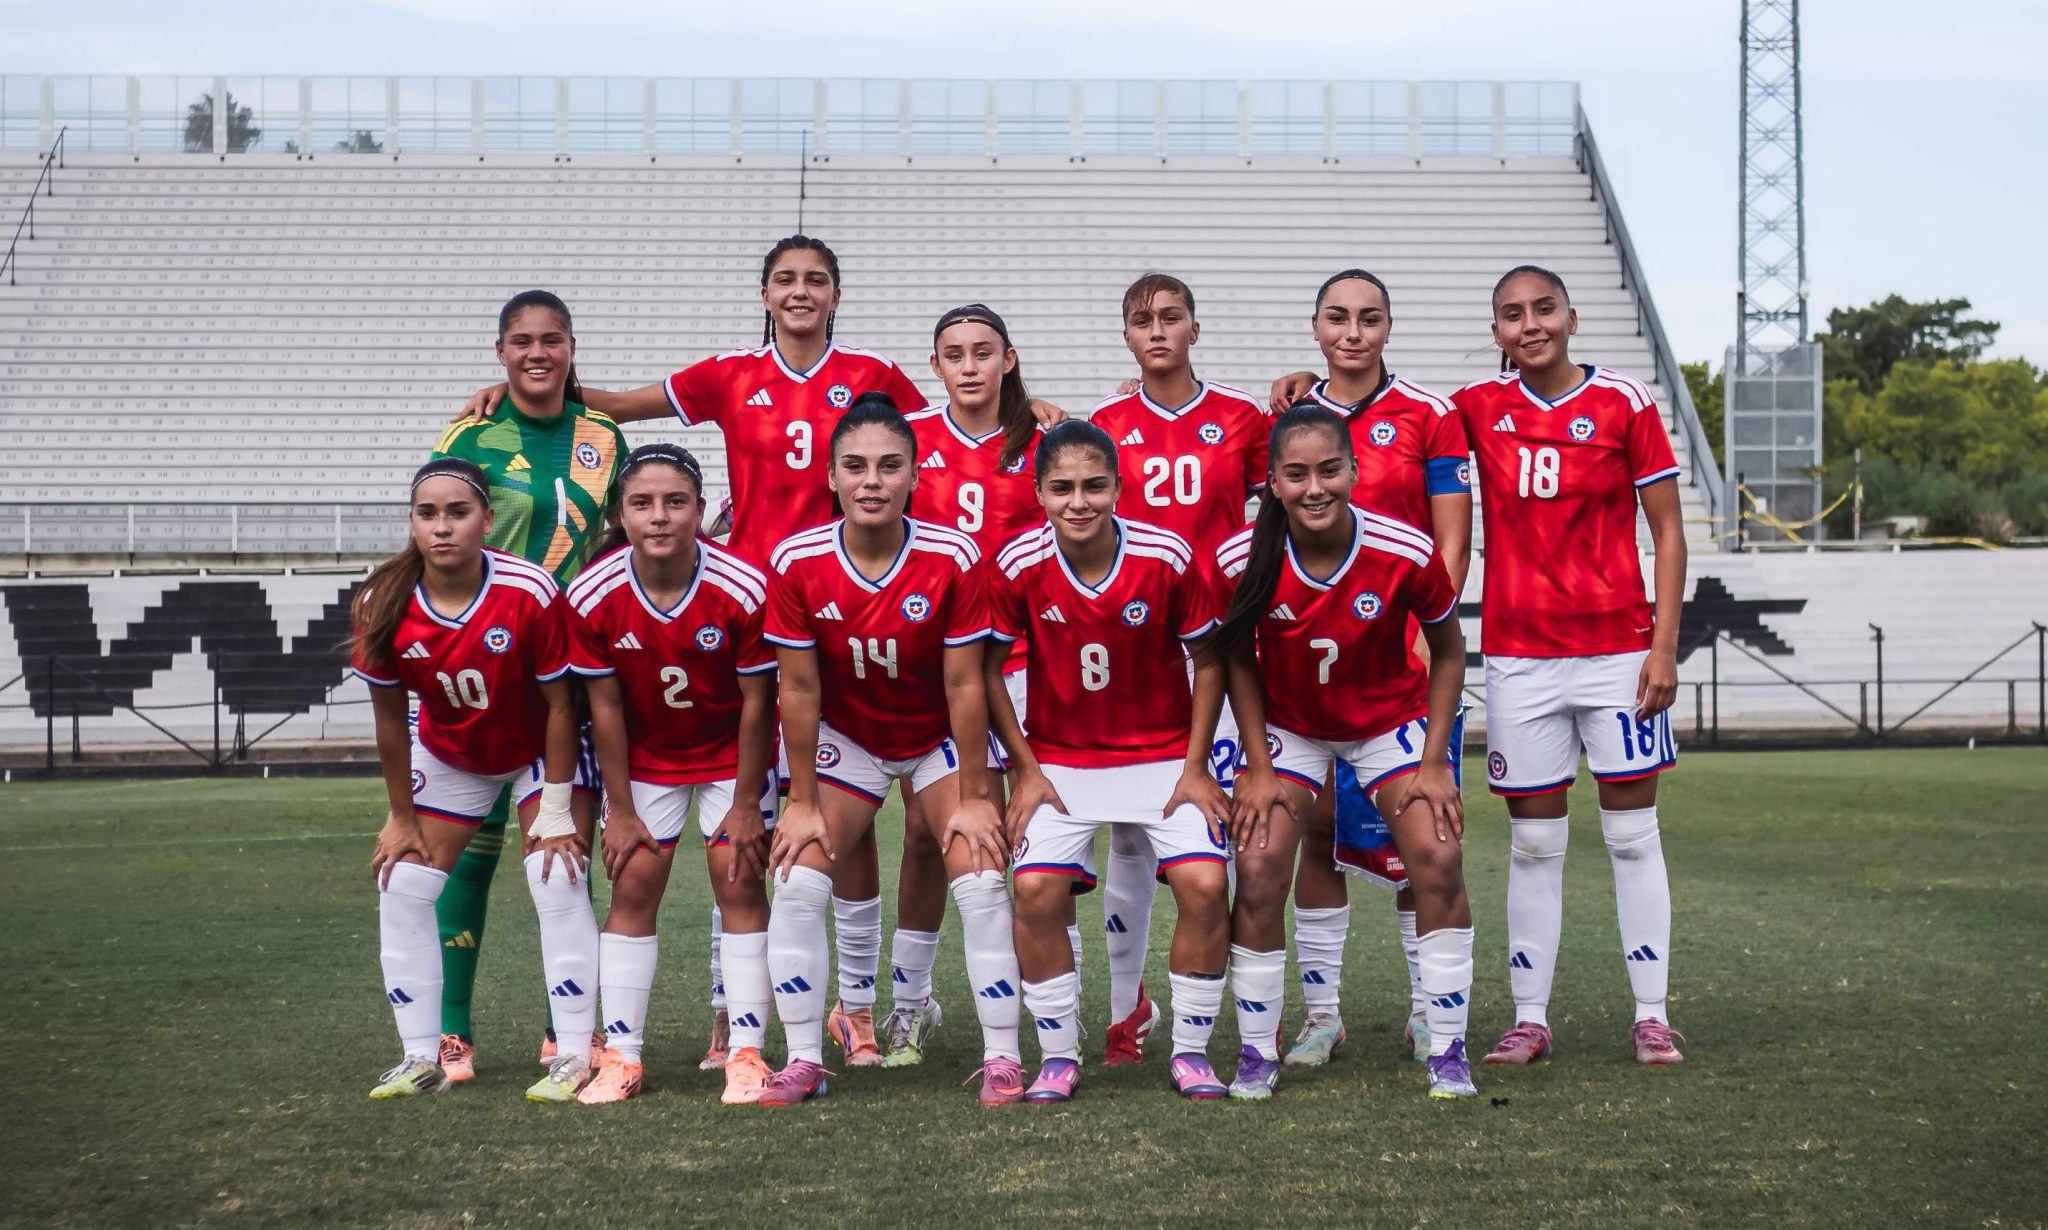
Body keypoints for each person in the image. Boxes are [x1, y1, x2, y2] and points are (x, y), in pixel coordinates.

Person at [454, 237, 944, 1070]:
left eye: (816, 280)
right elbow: (621, 408)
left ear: (837, 293)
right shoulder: (728, 373)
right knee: (747, 830)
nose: (800, 291)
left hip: (845, 604)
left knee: (832, 824)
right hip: (753, 613)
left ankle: (852, 1007)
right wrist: (529, 392)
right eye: (786, 279)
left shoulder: (877, 375)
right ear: (763, 291)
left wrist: (1028, 409)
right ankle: (730, 1015)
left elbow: (949, 432)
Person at [1451, 265, 1688, 1068]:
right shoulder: (1477, 409)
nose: (1530, 325)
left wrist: (1663, 644)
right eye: (1512, 315)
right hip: (1520, 658)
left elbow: (1667, 533)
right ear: (1496, 334)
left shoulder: (1625, 402)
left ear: (1572, 316)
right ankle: (1530, 1018)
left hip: (1620, 652)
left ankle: (1651, 1014)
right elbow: (1389, 420)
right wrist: (1309, 386)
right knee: (1534, 845)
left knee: (1631, 835)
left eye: (1543, 309)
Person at [758, 395, 1024, 1106]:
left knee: (981, 871)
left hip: (938, 733)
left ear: (914, 475)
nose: (871, 480)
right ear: (832, 476)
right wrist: (802, 802)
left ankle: (1002, 1057)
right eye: (855, 467)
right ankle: (806, 1056)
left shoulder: (952, 553)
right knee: (798, 873)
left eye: (888, 466)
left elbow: (966, 680)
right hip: (852, 736)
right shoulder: (797, 560)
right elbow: (801, 687)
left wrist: (973, 796)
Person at [1217, 405, 1478, 1100]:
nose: (1315, 488)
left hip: (1387, 721)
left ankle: (1448, 1049)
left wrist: (1432, 762)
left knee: (1438, 855)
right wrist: (1260, 767)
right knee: (1261, 862)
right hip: (1291, 727)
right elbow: (1236, 657)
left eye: (1330, 470)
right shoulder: (1241, 558)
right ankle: (1255, 1051)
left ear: (1356, 471)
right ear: (1272, 481)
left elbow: (1450, 654)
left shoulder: (1406, 548)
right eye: (1296, 474)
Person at [986, 420, 1235, 1103]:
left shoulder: (1168, 555)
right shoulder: (1016, 563)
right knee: (1035, 893)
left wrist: (1195, 764)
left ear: (1120, 488)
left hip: (1160, 757)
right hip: (1062, 762)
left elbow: (1210, 660)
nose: (1079, 501)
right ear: (1038, 493)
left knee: (1208, 888)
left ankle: (1190, 1052)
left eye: (1095, 485)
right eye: (1062, 487)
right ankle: (1059, 1056)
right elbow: (985, 671)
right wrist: (1026, 767)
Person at [1264, 270, 1475, 1066]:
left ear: (1389, 326)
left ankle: (1430, 1011)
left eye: (1369, 318)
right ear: (1316, 326)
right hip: (1312, 671)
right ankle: (1323, 1016)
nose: (1353, 332)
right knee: (1315, 836)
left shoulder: (1431, 414)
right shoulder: (1289, 415)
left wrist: (1423, 635)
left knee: (1419, 840)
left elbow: (1449, 539)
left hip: (1399, 660)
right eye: (1337, 317)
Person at [353, 459, 601, 1103]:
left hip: (538, 750)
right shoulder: (383, 602)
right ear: (411, 523)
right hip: (450, 751)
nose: (441, 527)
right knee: (403, 882)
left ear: (487, 521)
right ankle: (421, 1056)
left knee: (557, 874)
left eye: (457, 513)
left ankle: (573, 1055)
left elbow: (559, 705)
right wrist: (400, 816)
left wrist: (552, 809)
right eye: (426, 514)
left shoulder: (529, 589)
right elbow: (388, 723)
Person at [426, 291, 622, 1082]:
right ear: (500, 351)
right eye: (521, 342)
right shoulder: (470, 432)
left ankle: (561, 1032)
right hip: (479, 667)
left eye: (551, 341)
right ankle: (452, 1035)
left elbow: (617, 535)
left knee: (563, 853)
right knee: (469, 856)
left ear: (572, 348)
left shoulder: (603, 437)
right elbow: (439, 525)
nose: (536, 353)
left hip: (567, 672)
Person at [1078, 273, 1271, 1065]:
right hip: (1133, 646)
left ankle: (1240, 1014)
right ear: (1125, 336)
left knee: (1222, 839)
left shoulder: (1243, 418)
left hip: (1219, 651)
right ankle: (1129, 1010)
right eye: (1140, 321)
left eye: (1170, 317)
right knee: (1129, 833)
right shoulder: (1107, 423)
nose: (1156, 331)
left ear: (1196, 326)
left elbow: (1286, 505)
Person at [564, 444, 780, 1105]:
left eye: (675, 501)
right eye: (642, 503)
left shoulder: (742, 587)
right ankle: (622, 1058)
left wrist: (747, 802)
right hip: (647, 760)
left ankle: (747, 1051)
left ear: (700, 508)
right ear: (621, 514)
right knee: (633, 887)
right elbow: (604, 708)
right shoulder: (592, 594)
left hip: (729, 757)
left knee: (739, 883)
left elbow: (757, 703)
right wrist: (620, 807)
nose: (659, 517)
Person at [879, 304, 1048, 1067]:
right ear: (936, 364)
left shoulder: (1042, 438)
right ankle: (909, 1005)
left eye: (984, 352)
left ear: (1008, 360)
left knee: (1036, 835)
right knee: (924, 833)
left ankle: (1050, 1005)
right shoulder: (908, 438)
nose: (971, 366)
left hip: (1024, 661)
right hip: (939, 666)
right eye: (955, 354)